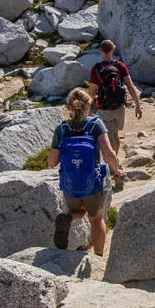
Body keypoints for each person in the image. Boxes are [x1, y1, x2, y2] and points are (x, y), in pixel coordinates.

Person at [49, 89, 122, 257]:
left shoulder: (62, 129)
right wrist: (116, 170)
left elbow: (52, 162)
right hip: (92, 183)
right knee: (96, 218)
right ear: (89, 105)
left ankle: (68, 218)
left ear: (68, 107)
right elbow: (109, 154)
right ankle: (98, 256)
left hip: (70, 184)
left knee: (79, 209)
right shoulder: (95, 125)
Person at [88, 40, 143, 187]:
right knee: (116, 135)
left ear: (100, 51)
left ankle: (114, 169)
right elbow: (130, 86)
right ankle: (115, 160)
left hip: (104, 109)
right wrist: (138, 105)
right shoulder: (120, 66)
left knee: (106, 137)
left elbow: (92, 93)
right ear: (112, 51)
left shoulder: (96, 69)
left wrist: (86, 110)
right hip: (120, 108)